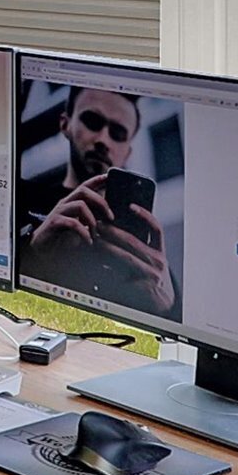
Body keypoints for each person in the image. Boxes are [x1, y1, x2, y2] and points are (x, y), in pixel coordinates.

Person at [17, 85, 177, 319]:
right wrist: (31, 250)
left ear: (127, 152)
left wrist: (169, 306)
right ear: (65, 124)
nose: (103, 140)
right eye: (92, 122)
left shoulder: (146, 244)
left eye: (118, 133)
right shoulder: (22, 198)